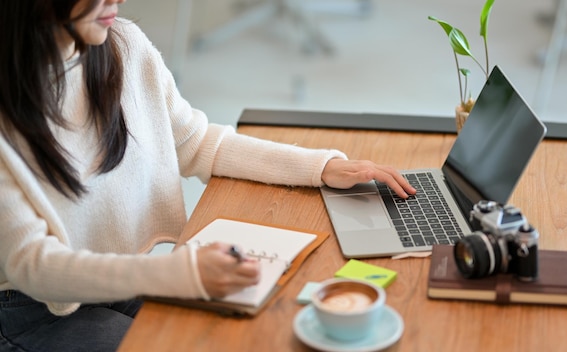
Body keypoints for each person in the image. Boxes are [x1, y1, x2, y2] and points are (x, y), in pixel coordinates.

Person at [0, 0, 416, 351]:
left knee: (241, 332)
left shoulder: (122, 45)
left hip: (119, 275)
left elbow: (197, 143)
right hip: (30, 310)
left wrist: (321, 167)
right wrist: (184, 274)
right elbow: (33, 265)